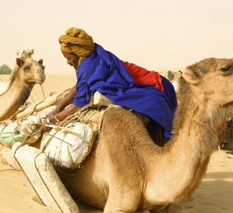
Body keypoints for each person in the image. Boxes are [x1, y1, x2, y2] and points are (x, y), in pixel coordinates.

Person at [45, 27, 177, 142]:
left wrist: (52, 120)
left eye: (69, 58)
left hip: (153, 82)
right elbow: (80, 85)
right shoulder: (89, 55)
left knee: (151, 102)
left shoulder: (87, 65)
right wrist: (59, 107)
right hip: (146, 76)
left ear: (78, 53)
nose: (68, 62)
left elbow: (79, 104)